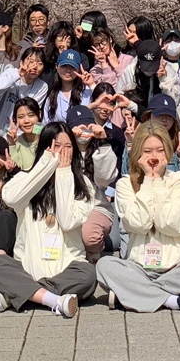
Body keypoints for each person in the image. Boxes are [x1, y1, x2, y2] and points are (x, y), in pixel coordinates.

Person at [0, 121, 99, 317]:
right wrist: (46, 164)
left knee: (88, 275)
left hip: (67, 268)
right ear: (45, 148)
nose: (62, 152)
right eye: (57, 146)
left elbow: (67, 221)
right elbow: (11, 199)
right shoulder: (26, 177)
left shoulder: (83, 184)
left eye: (68, 147)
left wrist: (63, 174)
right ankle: (53, 299)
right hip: (27, 268)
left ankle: (19, 294)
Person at [97, 122, 180, 312]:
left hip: (177, 266)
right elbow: (139, 224)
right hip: (139, 268)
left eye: (160, 150)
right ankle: (173, 301)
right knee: (104, 266)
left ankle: (130, 296)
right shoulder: (125, 185)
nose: (154, 157)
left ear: (168, 152)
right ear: (137, 153)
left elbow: (173, 226)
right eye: (147, 151)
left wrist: (158, 181)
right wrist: (148, 182)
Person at [67, 102, 120, 261]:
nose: (83, 131)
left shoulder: (102, 148)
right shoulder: (63, 149)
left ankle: (94, 254)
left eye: (87, 126)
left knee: (90, 237)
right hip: (68, 207)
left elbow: (105, 180)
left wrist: (102, 142)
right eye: (78, 127)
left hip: (96, 206)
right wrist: (67, 139)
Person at [0, 46, 50, 130]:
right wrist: (18, 74)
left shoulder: (42, 87)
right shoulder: (11, 73)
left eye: (40, 63)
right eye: (31, 61)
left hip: (19, 133)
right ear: (21, 62)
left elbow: (32, 113)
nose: (35, 66)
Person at [45, 49, 87, 123]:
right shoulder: (51, 97)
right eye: (64, 66)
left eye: (72, 67)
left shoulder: (87, 92)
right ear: (56, 66)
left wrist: (92, 85)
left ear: (79, 70)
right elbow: (45, 124)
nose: (68, 70)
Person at [8, 98, 44, 171]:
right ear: (15, 119)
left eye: (31, 115)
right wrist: (12, 145)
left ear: (39, 114)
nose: (26, 121)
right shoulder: (16, 142)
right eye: (21, 117)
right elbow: (16, 171)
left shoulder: (48, 137)